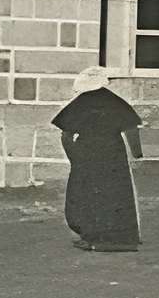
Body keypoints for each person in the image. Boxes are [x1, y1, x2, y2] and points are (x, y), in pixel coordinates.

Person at [52, 71, 143, 251]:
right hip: (113, 151)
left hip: (87, 151)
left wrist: (74, 157)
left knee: (86, 194)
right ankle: (121, 236)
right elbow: (131, 128)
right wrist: (137, 154)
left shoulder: (79, 104)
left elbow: (66, 134)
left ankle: (91, 235)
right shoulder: (115, 101)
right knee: (116, 192)